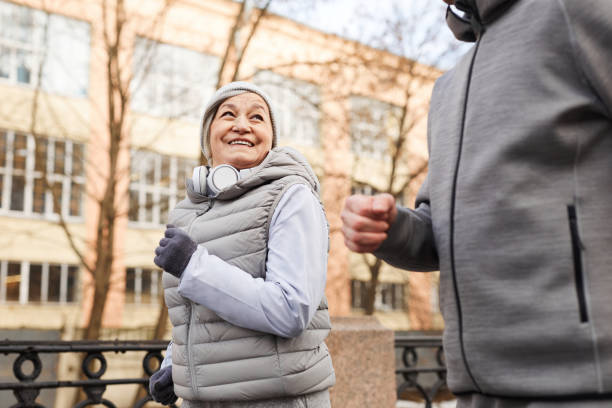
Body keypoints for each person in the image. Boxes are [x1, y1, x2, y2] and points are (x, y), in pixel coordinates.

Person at [342, 0, 612, 407]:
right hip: (475, 390)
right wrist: (392, 229)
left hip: (583, 384)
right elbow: (439, 232)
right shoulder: (446, 89)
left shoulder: (576, 10)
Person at [149, 81, 335, 407]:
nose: (242, 125)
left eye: (257, 117)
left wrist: (194, 265)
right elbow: (195, 313)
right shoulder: (189, 212)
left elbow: (291, 310)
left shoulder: (292, 196)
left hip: (276, 399)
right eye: (228, 114)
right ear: (209, 136)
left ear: (271, 140)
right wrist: (175, 363)